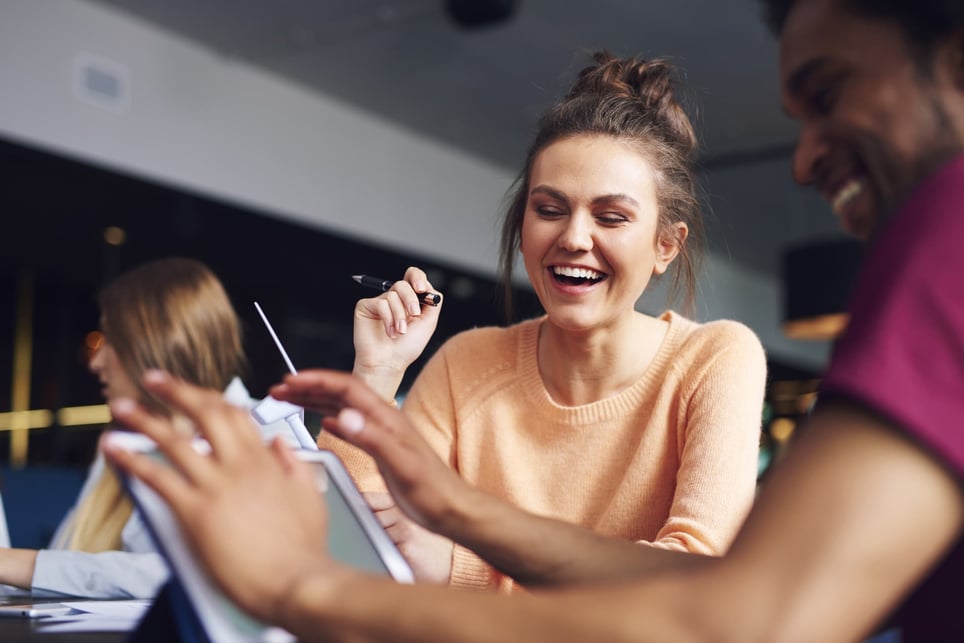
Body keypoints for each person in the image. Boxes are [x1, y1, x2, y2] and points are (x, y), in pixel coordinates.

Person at [104, 0, 964, 640]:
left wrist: (296, 586)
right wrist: (438, 482)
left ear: (668, 246)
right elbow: (387, 544)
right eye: (548, 208)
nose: (807, 157)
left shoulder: (936, 238)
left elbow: (724, 610)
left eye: (830, 91)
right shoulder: (470, 357)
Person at [323, 51, 768, 588]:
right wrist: (376, 375)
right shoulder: (464, 366)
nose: (574, 238)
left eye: (611, 217)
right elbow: (349, 546)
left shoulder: (714, 360)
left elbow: (691, 583)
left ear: (666, 245)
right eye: (550, 210)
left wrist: (461, 570)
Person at [0, 257, 295, 599]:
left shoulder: (267, 431)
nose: (95, 362)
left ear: (158, 345)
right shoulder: (125, 444)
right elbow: (67, 557)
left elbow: (214, 573)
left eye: (110, 340)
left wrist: (21, 565)